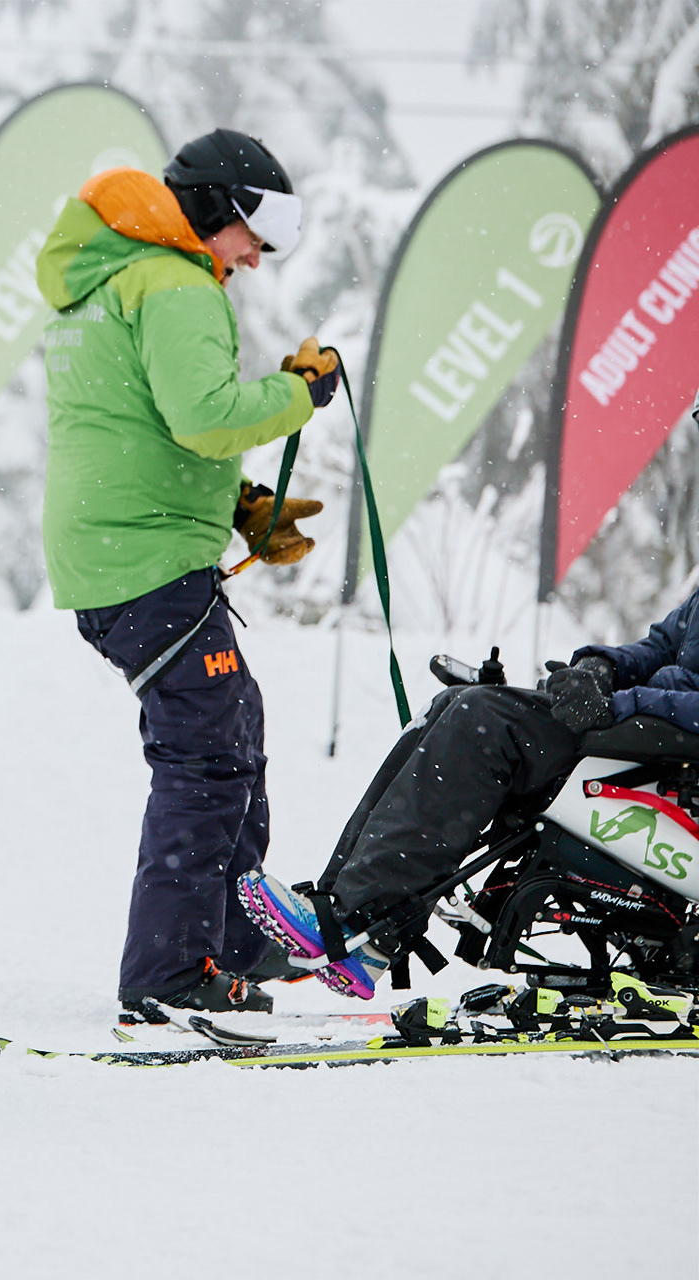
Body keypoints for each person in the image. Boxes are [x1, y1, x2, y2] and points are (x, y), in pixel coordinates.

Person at [34, 128, 341, 1017]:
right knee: (208, 754)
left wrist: (238, 503)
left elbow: (132, 424)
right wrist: (302, 396)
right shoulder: (173, 283)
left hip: (114, 549)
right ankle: (172, 971)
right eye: (255, 230)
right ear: (218, 205)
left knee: (228, 729)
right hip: (148, 559)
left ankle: (231, 937)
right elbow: (204, 416)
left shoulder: (110, 275)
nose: (257, 254)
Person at [243, 584, 699, 999]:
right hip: (648, 725)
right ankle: (341, 908)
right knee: (451, 706)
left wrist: (621, 702)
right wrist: (598, 669)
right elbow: (658, 647)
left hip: (667, 737)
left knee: (483, 721)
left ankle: (363, 928)